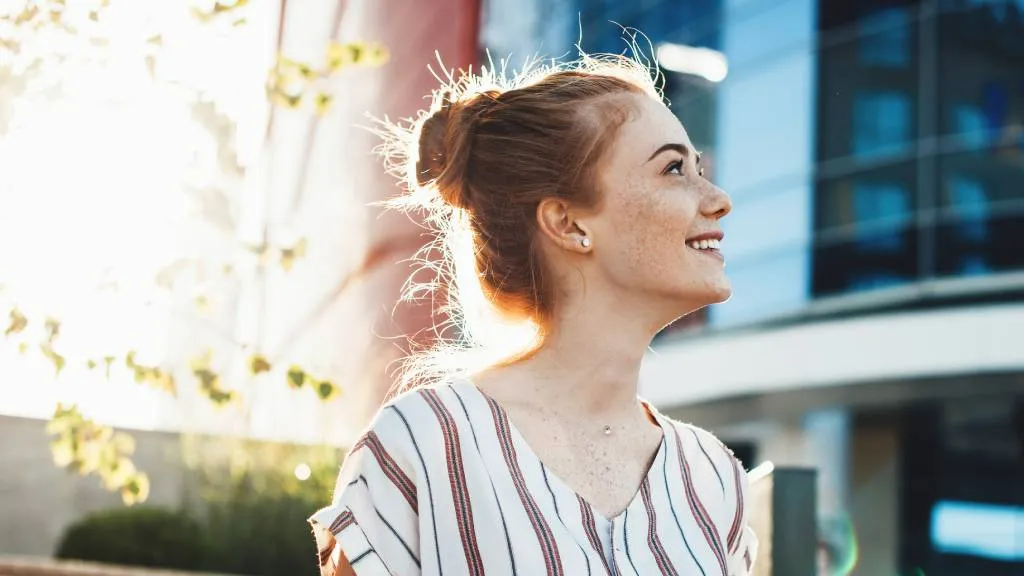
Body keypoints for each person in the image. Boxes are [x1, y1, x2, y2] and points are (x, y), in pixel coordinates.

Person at [309, 52, 760, 575]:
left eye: (699, 167)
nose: (719, 199)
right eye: (674, 168)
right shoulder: (423, 442)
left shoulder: (714, 478)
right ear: (567, 223)